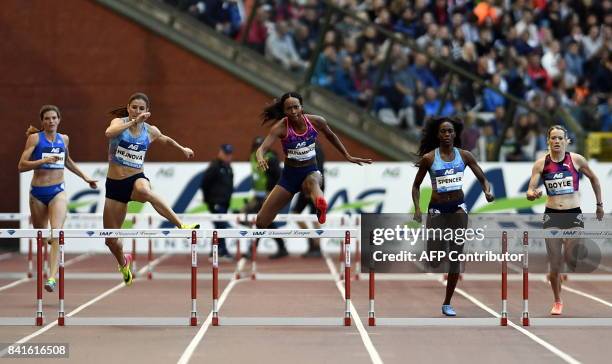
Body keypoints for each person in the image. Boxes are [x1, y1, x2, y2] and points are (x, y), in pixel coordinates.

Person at [104, 92, 199, 286]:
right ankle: (124, 263)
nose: (137, 111)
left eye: (141, 108)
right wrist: (132, 122)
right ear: (128, 107)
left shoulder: (150, 130)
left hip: (136, 178)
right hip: (115, 185)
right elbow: (108, 133)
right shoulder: (118, 123)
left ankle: (181, 224)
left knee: (145, 191)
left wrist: (182, 148)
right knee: (111, 239)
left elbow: (165, 139)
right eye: (134, 107)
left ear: (147, 112)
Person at [412, 116, 495, 317]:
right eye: (443, 131)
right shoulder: (430, 158)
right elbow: (415, 186)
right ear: (438, 135)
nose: (447, 135)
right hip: (437, 209)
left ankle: (447, 302)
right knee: (434, 260)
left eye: (450, 131)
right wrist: (417, 209)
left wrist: (487, 191)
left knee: (456, 257)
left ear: (455, 134)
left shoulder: (465, 156)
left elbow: (483, 179)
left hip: (458, 206)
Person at [255, 92, 372, 231]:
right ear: (284, 111)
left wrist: (347, 155)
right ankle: (315, 203)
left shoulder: (316, 121)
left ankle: (320, 205)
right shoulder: (281, 128)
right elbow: (261, 149)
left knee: (312, 182)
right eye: (289, 109)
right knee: (261, 222)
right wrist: (261, 158)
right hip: (289, 177)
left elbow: (331, 136)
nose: (293, 112)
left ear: (301, 107)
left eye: (296, 107)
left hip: (310, 170)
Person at [18, 105, 98, 292]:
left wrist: (85, 177)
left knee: (57, 233)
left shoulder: (64, 139)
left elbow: (67, 161)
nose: (51, 121)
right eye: (47, 119)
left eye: (54, 118)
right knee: (41, 234)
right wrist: (43, 161)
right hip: (37, 193)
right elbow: (21, 165)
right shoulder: (34, 139)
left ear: (59, 119)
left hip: (57, 191)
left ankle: (51, 277)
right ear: (42, 122)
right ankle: (48, 246)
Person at [526, 125, 603, 315]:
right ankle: (558, 300)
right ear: (548, 141)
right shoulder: (540, 164)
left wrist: (599, 204)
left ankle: (562, 269)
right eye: (553, 138)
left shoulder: (576, 160)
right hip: (552, 215)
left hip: (573, 214)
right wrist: (532, 194)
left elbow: (594, 179)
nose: (557, 141)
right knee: (555, 264)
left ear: (566, 141)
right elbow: (529, 190)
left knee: (572, 258)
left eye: (561, 138)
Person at [243, 136, 288, 259]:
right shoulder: (252, 157)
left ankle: (253, 250)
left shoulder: (270, 159)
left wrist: (270, 193)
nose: (259, 150)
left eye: (261, 147)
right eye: (256, 147)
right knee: (261, 220)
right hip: (258, 195)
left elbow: (278, 176)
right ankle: (281, 247)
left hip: (268, 195)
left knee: (260, 221)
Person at [291, 140, 325, 258]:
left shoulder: (314, 149)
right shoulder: (308, 147)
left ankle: (317, 246)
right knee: (295, 213)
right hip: (307, 184)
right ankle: (312, 240)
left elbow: (316, 169)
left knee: (315, 216)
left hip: (314, 184)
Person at [201, 143, 234, 261]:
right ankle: (221, 251)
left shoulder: (229, 167)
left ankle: (215, 251)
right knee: (221, 227)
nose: (228, 156)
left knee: (220, 227)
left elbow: (229, 186)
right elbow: (204, 183)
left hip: (225, 203)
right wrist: (209, 201)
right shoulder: (214, 166)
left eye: (230, 154)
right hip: (215, 202)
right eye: (226, 154)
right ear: (220, 152)